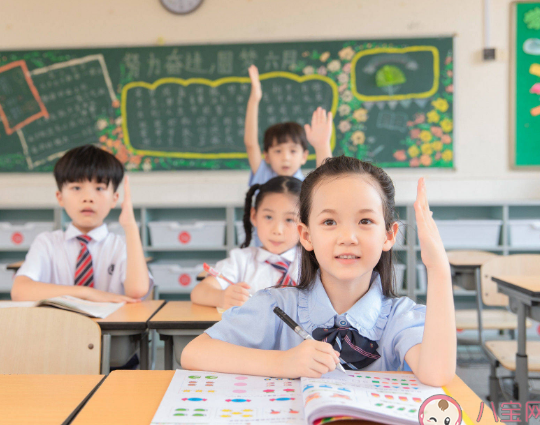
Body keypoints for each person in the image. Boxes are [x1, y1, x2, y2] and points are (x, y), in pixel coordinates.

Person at [182, 156, 456, 387]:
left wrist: (439, 270)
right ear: (306, 234)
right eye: (329, 221)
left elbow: (438, 373)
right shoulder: (275, 306)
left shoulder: (401, 317)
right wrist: (283, 362)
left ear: (389, 235)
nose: (348, 237)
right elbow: (194, 353)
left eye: (365, 220)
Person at [12, 144, 153, 369]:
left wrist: (130, 226)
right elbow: (20, 290)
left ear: (115, 197)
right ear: (60, 197)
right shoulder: (47, 242)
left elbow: (137, 291)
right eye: (76, 188)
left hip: (112, 352)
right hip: (55, 349)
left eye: (99, 188)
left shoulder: (121, 245)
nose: (88, 198)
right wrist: (87, 294)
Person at [191, 176, 302, 310]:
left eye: (289, 220)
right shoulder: (241, 260)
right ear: (254, 216)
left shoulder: (313, 262)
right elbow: (199, 292)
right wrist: (222, 297)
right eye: (268, 217)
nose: (277, 230)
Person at [244, 64, 333, 187]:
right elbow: (251, 144)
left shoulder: (308, 187)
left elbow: (326, 182)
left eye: (293, 151)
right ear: (267, 156)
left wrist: (322, 146)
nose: (285, 158)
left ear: (304, 156)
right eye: (278, 151)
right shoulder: (263, 175)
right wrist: (254, 99)